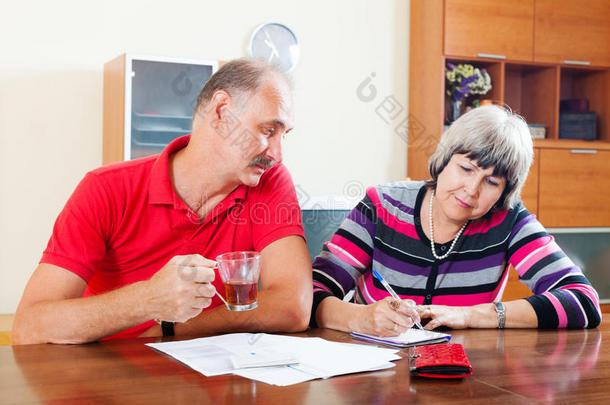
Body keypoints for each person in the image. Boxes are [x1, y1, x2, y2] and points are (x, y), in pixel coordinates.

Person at [12, 58, 313, 344]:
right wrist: (148, 299)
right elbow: (29, 327)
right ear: (222, 112)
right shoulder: (104, 189)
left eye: (284, 135)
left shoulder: (268, 180)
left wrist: (169, 329)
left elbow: (293, 306)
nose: (278, 153)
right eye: (268, 130)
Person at [311, 105, 601, 336]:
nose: (471, 190)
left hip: (462, 377)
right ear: (445, 159)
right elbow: (311, 295)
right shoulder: (381, 206)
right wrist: (361, 318)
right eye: (466, 168)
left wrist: (471, 314)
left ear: (504, 193)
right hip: (369, 375)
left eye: (491, 182)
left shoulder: (509, 221)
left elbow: (582, 301)